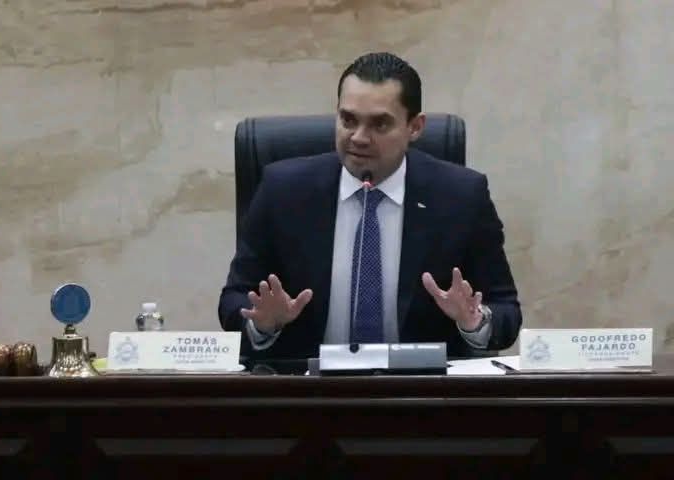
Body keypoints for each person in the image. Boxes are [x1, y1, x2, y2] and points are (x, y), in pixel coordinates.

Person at [218, 52, 522, 360]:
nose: (359, 138)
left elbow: (505, 309)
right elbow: (234, 299)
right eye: (348, 120)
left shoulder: (462, 196)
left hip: (423, 385)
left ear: (415, 127)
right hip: (309, 385)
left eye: (380, 124)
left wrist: (475, 320)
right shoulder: (283, 191)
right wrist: (263, 324)